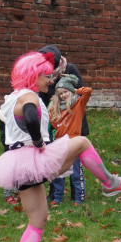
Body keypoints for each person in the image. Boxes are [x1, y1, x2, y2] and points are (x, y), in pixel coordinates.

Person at [0, 51, 121, 242]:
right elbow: (31, 116)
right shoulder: (30, 97)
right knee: (82, 142)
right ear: (34, 76)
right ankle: (110, 183)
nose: (50, 80)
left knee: (38, 219)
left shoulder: (13, 97)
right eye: (47, 76)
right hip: (33, 158)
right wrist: (38, 142)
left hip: (19, 163)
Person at [47, 75, 91, 206]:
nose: (63, 95)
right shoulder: (55, 108)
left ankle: (79, 198)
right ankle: (58, 197)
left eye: (65, 92)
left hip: (74, 141)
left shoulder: (78, 103)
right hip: (59, 142)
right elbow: (54, 124)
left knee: (76, 172)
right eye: (60, 94)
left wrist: (73, 90)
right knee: (59, 172)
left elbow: (87, 91)